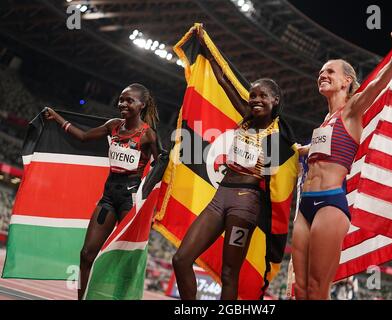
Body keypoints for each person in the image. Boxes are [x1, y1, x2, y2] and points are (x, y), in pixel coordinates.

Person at [172, 28, 295, 300]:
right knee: (181, 258)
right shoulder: (245, 118)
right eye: (253, 95)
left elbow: (285, 172)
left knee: (230, 274)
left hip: (246, 205)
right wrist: (206, 48)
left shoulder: (279, 138)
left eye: (263, 96)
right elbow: (223, 80)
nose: (255, 100)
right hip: (220, 198)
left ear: (275, 101)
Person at [291, 26, 392, 300]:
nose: (322, 75)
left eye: (330, 71)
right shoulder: (323, 123)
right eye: (321, 72)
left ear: (347, 81)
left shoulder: (352, 109)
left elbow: (378, 83)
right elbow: (307, 151)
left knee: (318, 287)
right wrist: (296, 149)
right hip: (305, 207)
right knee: (301, 289)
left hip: (330, 204)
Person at [44, 83, 161, 299]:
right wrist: (58, 118)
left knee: (123, 261)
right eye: (121, 99)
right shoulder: (113, 126)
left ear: (142, 105)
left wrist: (150, 203)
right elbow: (82, 137)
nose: (123, 104)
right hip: (108, 197)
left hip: (131, 201)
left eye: (129, 100)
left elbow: (161, 166)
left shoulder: (148, 135)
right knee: (87, 254)